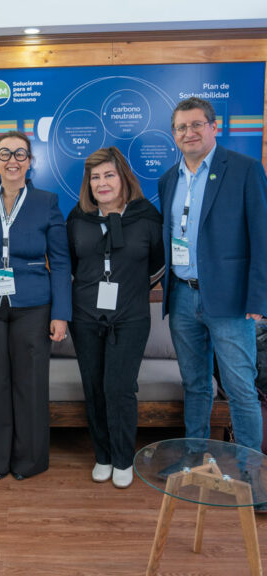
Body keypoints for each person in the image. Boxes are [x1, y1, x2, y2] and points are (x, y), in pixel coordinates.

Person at [159, 97, 267, 457]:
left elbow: (262, 239)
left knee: (240, 389)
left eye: (196, 125)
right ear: (173, 134)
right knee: (195, 385)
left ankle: (252, 476)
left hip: (231, 301)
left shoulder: (244, 169)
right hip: (182, 297)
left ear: (213, 127)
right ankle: (194, 459)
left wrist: (258, 299)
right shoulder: (168, 180)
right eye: (180, 127)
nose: (188, 132)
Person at [0, 130, 71, 480]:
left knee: (31, 384)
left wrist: (61, 314)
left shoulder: (47, 201)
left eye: (20, 154)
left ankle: (29, 462)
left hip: (34, 305)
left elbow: (61, 261)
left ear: (30, 161)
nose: (13, 160)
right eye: (5, 153)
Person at [66, 147, 164, 489]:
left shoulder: (147, 217)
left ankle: (123, 458)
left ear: (124, 178)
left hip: (130, 318)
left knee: (120, 389)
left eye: (109, 175)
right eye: (95, 177)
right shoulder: (78, 217)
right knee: (94, 388)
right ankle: (103, 456)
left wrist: (128, 289)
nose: (102, 183)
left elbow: (156, 266)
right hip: (86, 318)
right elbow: (73, 266)